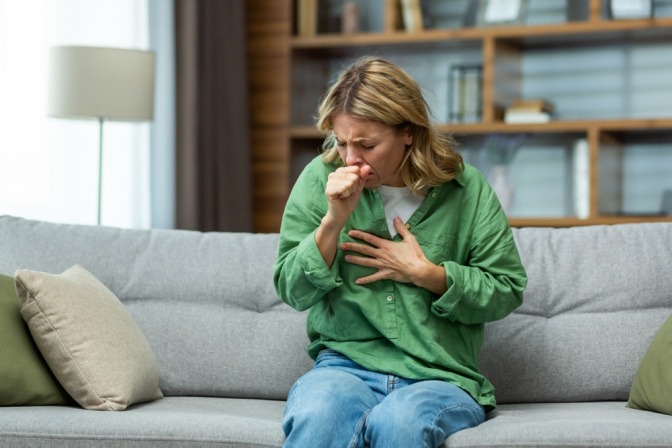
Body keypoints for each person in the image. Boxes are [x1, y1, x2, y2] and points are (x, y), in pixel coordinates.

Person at [273, 56, 527, 448]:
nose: (351, 159)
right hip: (344, 368)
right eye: (342, 143)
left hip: (438, 376)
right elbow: (292, 290)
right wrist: (333, 221)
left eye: (367, 144)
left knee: (400, 422)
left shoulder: (467, 190)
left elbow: (506, 288)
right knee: (318, 415)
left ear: (408, 132)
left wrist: (428, 274)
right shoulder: (318, 179)